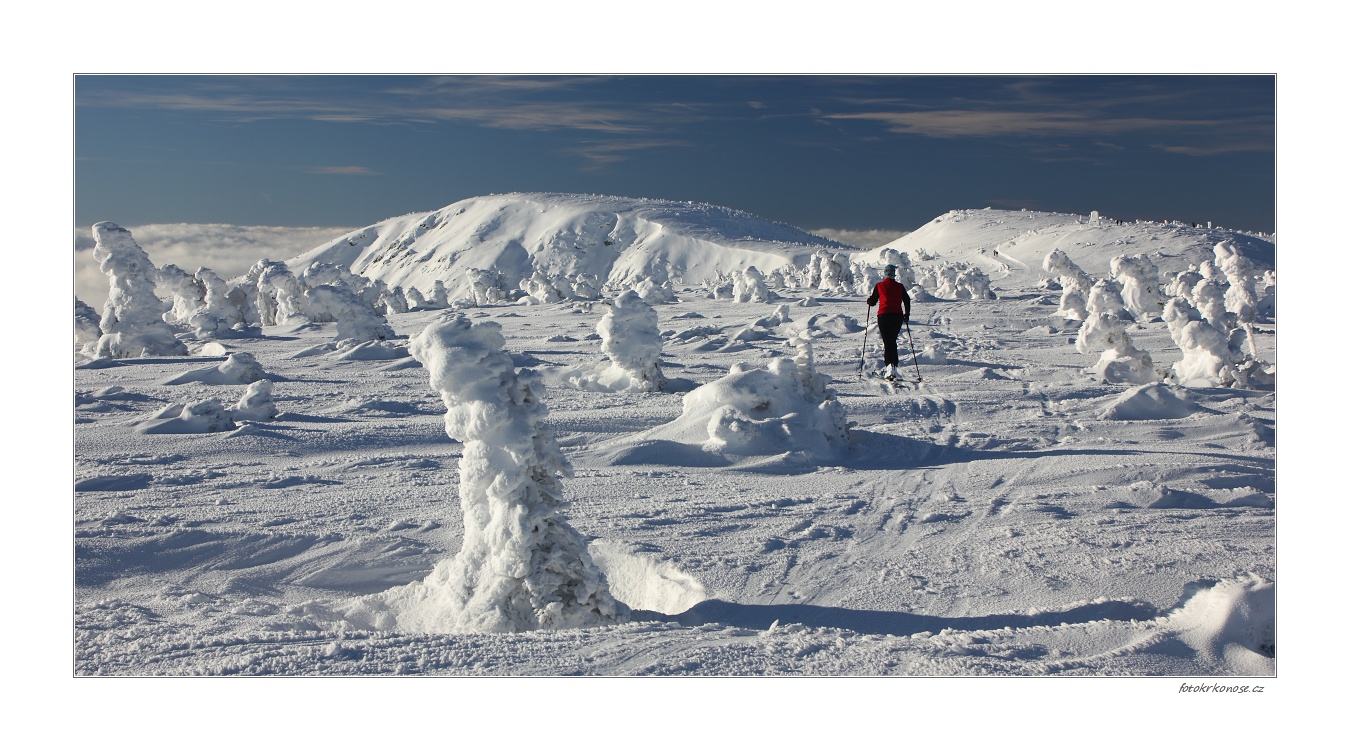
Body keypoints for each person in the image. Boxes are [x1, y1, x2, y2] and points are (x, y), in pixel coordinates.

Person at [867, 264, 912, 380]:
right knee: (892, 341)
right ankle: (893, 367)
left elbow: (873, 302)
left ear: (885, 273)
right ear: (894, 274)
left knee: (887, 342)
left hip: (884, 316)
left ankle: (889, 368)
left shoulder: (879, 286)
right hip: (897, 316)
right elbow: (907, 300)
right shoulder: (900, 286)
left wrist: (869, 301)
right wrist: (907, 314)